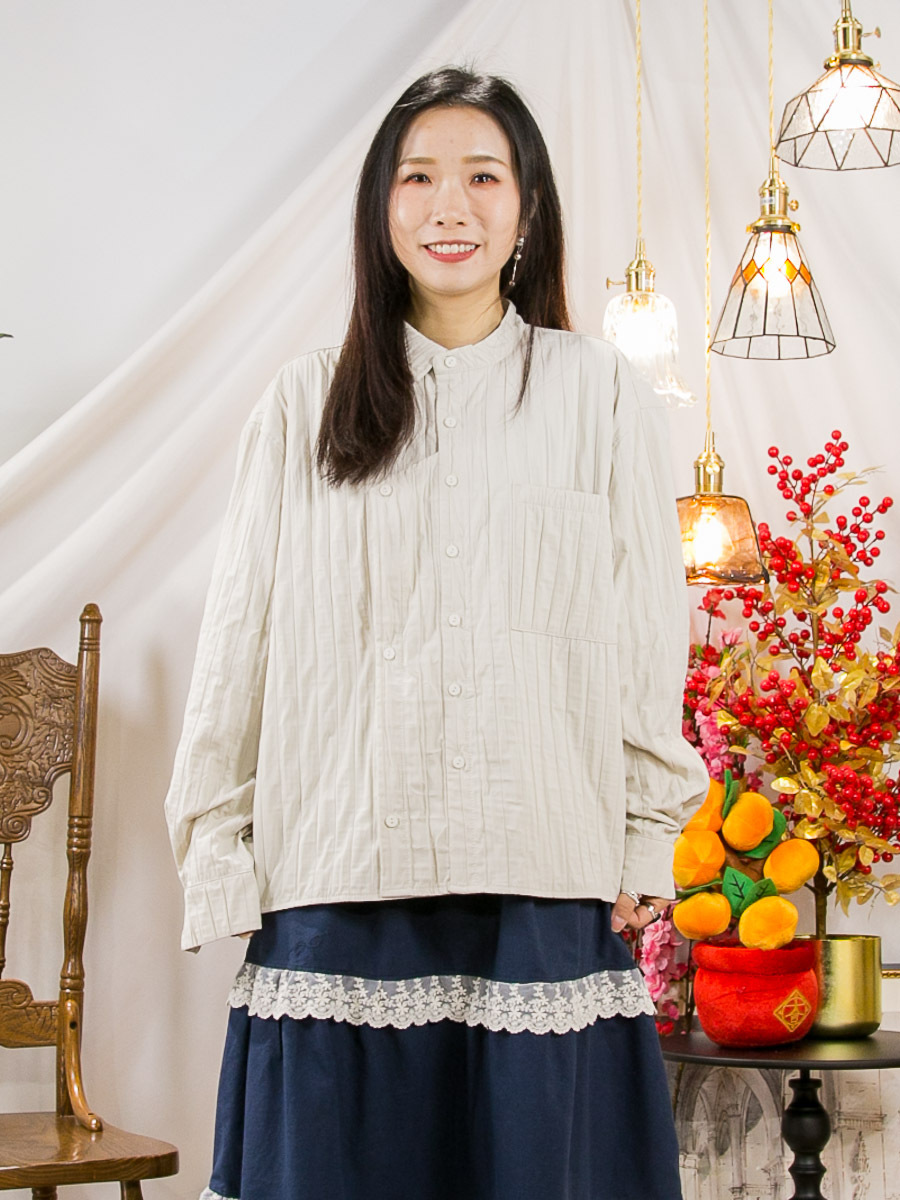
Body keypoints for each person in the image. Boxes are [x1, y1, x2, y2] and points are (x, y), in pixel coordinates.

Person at [165, 65, 708, 1200]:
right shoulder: (305, 401)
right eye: (417, 178)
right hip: (337, 870)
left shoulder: (598, 393)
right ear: (381, 207)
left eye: (482, 176)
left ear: (528, 208)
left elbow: (646, 637)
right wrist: (219, 851)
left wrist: (642, 841)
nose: (448, 206)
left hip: (541, 873)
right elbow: (237, 644)